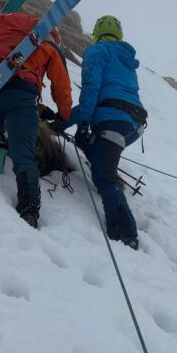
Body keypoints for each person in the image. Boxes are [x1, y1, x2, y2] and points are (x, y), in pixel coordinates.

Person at [0, 12, 72, 228]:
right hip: (22, 96)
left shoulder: (6, 31)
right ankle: (29, 209)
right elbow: (61, 86)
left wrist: (40, 109)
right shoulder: (47, 41)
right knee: (24, 155)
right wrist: (64, 115)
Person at [67, 15, 146, 249]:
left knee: (104, 175)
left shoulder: (98, 51)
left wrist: (81, 125)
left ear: (96, 34)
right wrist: (64, 122)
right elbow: (107, 99)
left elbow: (91, 89)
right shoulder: (126, 61)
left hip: (112, 121)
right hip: (133, 124)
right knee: (98, 151)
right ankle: (109, 182)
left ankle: (125, 233)